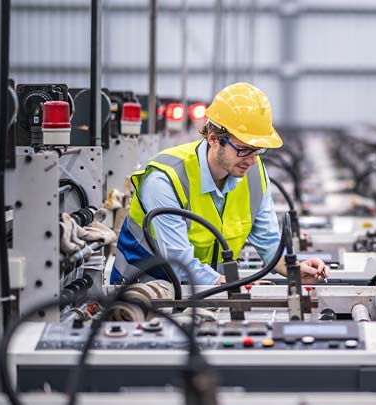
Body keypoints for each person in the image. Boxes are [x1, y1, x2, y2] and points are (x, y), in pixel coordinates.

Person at [110, 82, 329, 285]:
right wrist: (235, 285)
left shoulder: (253, 175)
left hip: (207, 291)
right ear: (213, 139)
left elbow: (269, 242)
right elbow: (180, 263)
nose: (252, 160)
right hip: (140, 294)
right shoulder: (165, 179)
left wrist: (295, 269)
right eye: (244, 149)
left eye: (258, 150)